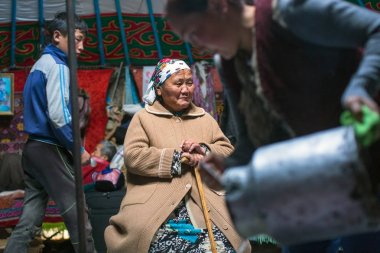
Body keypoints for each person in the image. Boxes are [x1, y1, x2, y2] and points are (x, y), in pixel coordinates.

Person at [164, 0, 380, 252]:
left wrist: (361, 87)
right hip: (308, 178)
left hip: (366, 160)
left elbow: (376, 28)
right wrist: (227, 167)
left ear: (218, 6)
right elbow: (250, 142)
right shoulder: (230, 65)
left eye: (193, 31)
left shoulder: (289, 14)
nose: (196, 44)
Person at [104, 58, 251, 253]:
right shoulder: (143, 118)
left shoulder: (204, 118)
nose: (186, 89)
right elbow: (133, 156)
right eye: (178, 83)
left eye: (189, 83)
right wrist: (177, 159)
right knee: (149, 240)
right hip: (159, 204)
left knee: (228, 241)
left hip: (204, 202)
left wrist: (204, 152)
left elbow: (226, 150)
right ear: (159, 89)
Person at [4, 12, 97, 253]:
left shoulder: (39, 65)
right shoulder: (58, 66)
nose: (81, 46)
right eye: (77, 39)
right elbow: (58, 116)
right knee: (78, 212)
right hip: (48, 148)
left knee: (30, 216)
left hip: (32, 149)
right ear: (57, 36)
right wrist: (77, 148)